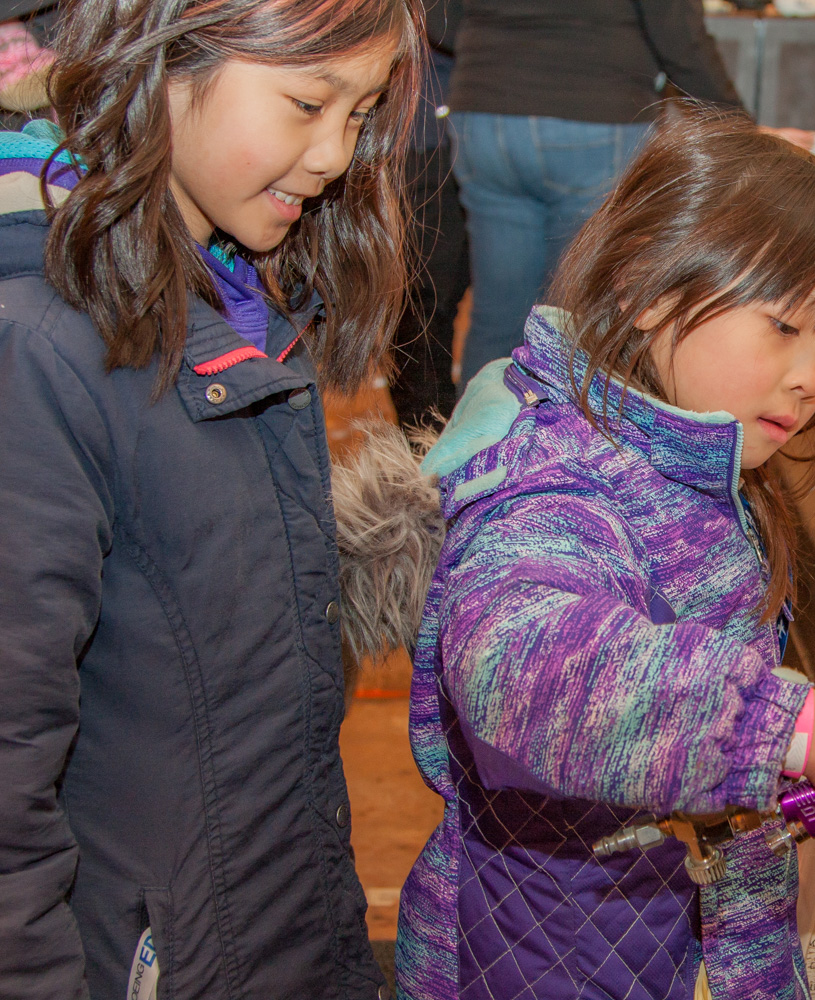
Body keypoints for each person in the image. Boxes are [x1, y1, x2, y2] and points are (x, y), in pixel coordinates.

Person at [394, 101, 815, 1000]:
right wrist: (794, 730)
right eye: (785, 327)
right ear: (648, 289)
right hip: (549, 961)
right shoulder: (549, 476)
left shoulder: (689, 451)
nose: (810, 378)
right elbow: (517, 662)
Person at [0, 0, 424, 996]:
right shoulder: (41, 351)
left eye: (360, 114)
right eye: (307, 103)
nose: (334, 156)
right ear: (164, 60)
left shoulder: (239, 292)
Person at [446, 0, 745, 389]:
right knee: (580, 319)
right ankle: (566, 430)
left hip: (485, 111)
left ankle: (481, 427)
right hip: (594, 112)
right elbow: (677, 33)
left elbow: (437, 15)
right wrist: (738, 127)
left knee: (497, 313)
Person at [385, 0, 468, 430]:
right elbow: (443, 25)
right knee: (424, 303)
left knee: (432, 302)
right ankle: (424, 436)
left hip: (453, 134)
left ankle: (435, 430)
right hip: (421, 136)